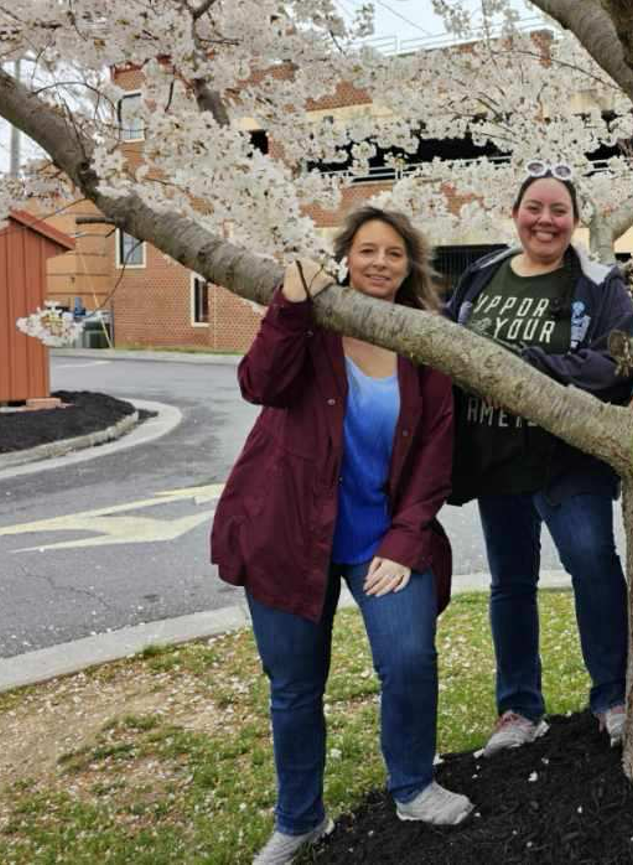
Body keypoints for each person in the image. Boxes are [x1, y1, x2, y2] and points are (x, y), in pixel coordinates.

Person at [211, 206, 474, 865]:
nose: (380, 263)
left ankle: (414, 785)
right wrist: (291, 304)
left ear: (409, 265)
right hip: (287, 532)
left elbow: (435, 460)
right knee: (295, 685)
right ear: (346, 258)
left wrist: (406, 541)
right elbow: (258, 383)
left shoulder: (425, 342)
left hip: (382, 537)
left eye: (393, 253)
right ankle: (300, 820)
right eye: (367, 250)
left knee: (409, 657)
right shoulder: (312, 324)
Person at [445, 160, 633, 752]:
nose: (546, 220)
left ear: (575, 221)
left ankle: (611, 696)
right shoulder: (482, 272)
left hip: (567, 460)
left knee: (594, 568)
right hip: (496, 458)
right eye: (536, 208)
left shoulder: (599, 284)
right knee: (510, 583)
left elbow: (617, 359)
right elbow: (450, 343)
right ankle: (518, 710)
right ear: (516, 214)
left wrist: (529, 367)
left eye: (559, 210)